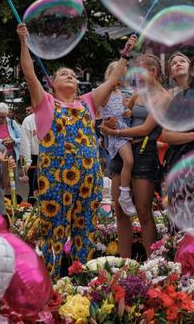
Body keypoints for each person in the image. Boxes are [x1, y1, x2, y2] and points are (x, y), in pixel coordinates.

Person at [18, 23, 134, 275]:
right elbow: (29, 74)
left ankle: (81, 282)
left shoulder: (87, 103)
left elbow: (114, 78)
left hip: (88, 179)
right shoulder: (46, 103)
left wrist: (125, 54)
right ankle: (49, 283)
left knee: (86, 232)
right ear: (52, 84)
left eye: (73, 74)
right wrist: (24, 43)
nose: (70, 76)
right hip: (55, 180)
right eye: (63, 74)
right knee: (54, 232)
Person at [103, 54, 171, 258]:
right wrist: (113, 122)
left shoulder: (164, 97)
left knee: (143, 209)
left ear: (153, 71)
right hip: (122, 152)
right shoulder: (137, 93)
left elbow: (145, 129)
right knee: (120, 210)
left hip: (144, 151)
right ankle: (125, 261)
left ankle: (153, 261)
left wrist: (116, 133)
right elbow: (124, 115)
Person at [100, 62, 136, 217]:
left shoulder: (121, 93)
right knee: (129, 161)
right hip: (115, 131)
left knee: (127, 162)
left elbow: (125, 110)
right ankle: (124, 194)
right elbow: (102, 103)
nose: (121, 77)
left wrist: (128, 111)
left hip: (123, 128)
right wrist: (110, 84)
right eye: (118, 73)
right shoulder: (105, 91)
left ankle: (125, 192)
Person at [19, 105, 39, 202]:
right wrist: (27, 162)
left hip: (52, 156)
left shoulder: (55, 117)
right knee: (33, 188)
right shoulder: (29, 120)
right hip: (34, 157)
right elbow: (25, 142)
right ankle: (31, 214)